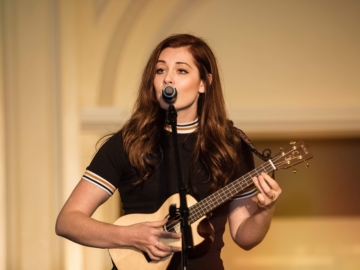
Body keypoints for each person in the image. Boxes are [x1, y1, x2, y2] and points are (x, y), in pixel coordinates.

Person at [55, 33, 282, 270]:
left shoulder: (230, 144)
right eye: (160, 70)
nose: (168, 79)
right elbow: (68, 221)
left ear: (204, 83)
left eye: (181, 71)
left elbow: (244, 237)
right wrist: (129, 235)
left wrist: (265, 210)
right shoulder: (128, 142)